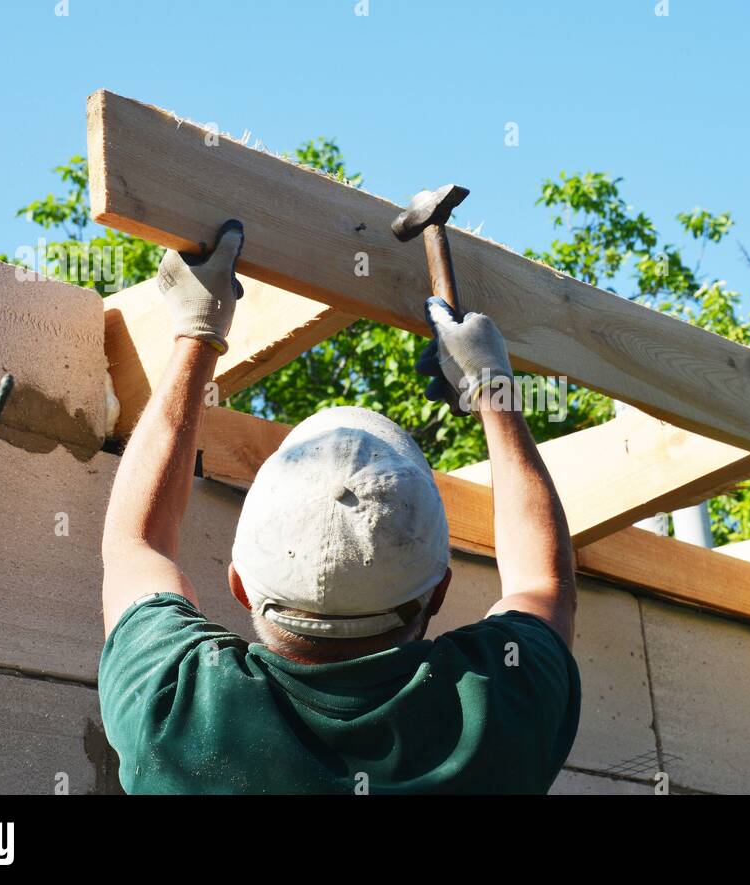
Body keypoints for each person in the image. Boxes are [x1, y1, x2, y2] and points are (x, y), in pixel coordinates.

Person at [97, 221, 580, 793]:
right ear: (440, 591)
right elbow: (543, 583)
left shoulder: (176, 713)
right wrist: (491, 384)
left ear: (241, 585)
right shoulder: (500, 708)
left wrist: (197, 332)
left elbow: (138, 544)